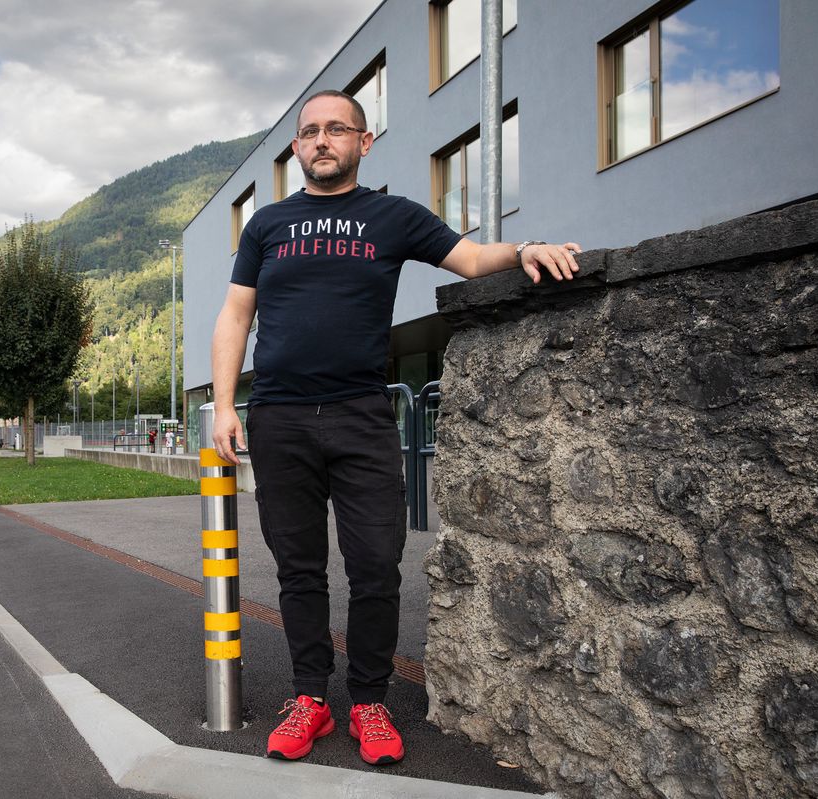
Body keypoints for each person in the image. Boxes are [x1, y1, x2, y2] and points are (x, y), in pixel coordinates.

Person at [210, 90, 581, 766]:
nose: (322, 141)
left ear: (363, 141)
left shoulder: (392, 216)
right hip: (280, 417)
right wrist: (228, 404)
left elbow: (468, 260)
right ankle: (310, 697)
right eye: (310, 132)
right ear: (297, 148)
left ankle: (371, 700)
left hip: (361, 415)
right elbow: (236, 314)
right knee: (299, 569)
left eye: (337, 130)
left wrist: (526, 248)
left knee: (377, 564)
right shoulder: (267, 224)